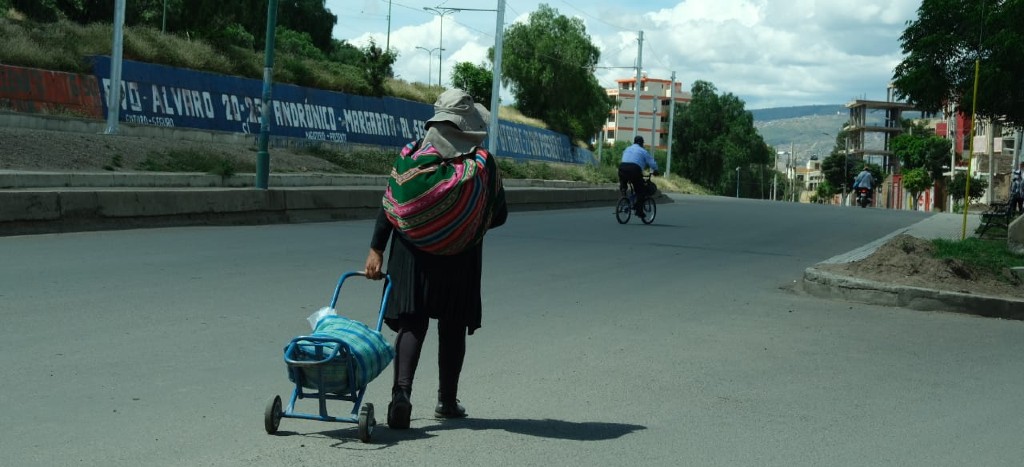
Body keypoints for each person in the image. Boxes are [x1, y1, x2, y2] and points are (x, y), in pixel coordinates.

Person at [363, 89, 508, 430]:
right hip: (461, 259)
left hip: (411, 257)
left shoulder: (411, 155)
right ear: (468, 125)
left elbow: (391, 206)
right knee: (453, 325)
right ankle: (446, 400)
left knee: (414, 323)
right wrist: (462, 220)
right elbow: (499, 215)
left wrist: (376, 249)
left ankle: (401, 395)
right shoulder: (482, 165)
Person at [619, 136, 659, 217]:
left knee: (624, 183)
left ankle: (624, 196)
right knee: (641, 191)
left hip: (622, 168)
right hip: (634, 169)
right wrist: (656, 170)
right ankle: (639, 211)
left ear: (634, 142)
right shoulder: (643, 151)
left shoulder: (627, 149)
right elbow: (652, 163)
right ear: (641, 143)